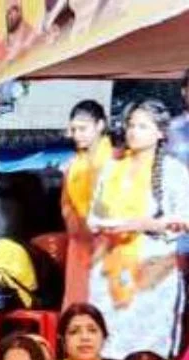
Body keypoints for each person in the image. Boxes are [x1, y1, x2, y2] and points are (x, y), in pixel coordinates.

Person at [88, 99, 189, 360]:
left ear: (160, 132)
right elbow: (94, 216)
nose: (134, 132)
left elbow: (183, 219)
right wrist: (109, 226)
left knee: (147, 350)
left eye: (143, 126)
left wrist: (144, 224)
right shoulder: (111, 169)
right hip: (109, 267)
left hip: (151, 270)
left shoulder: (174, 172)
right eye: (131, 125)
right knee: (106, 344)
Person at [62, 100, 114, 306]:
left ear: (100, 125)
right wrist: (77, 226)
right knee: (78, 303)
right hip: (79, 242)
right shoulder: (72, 165)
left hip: (109, 242)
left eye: (83, 129)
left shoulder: (116, 161)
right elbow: (66, 205)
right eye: (74, 129)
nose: (77, 135)